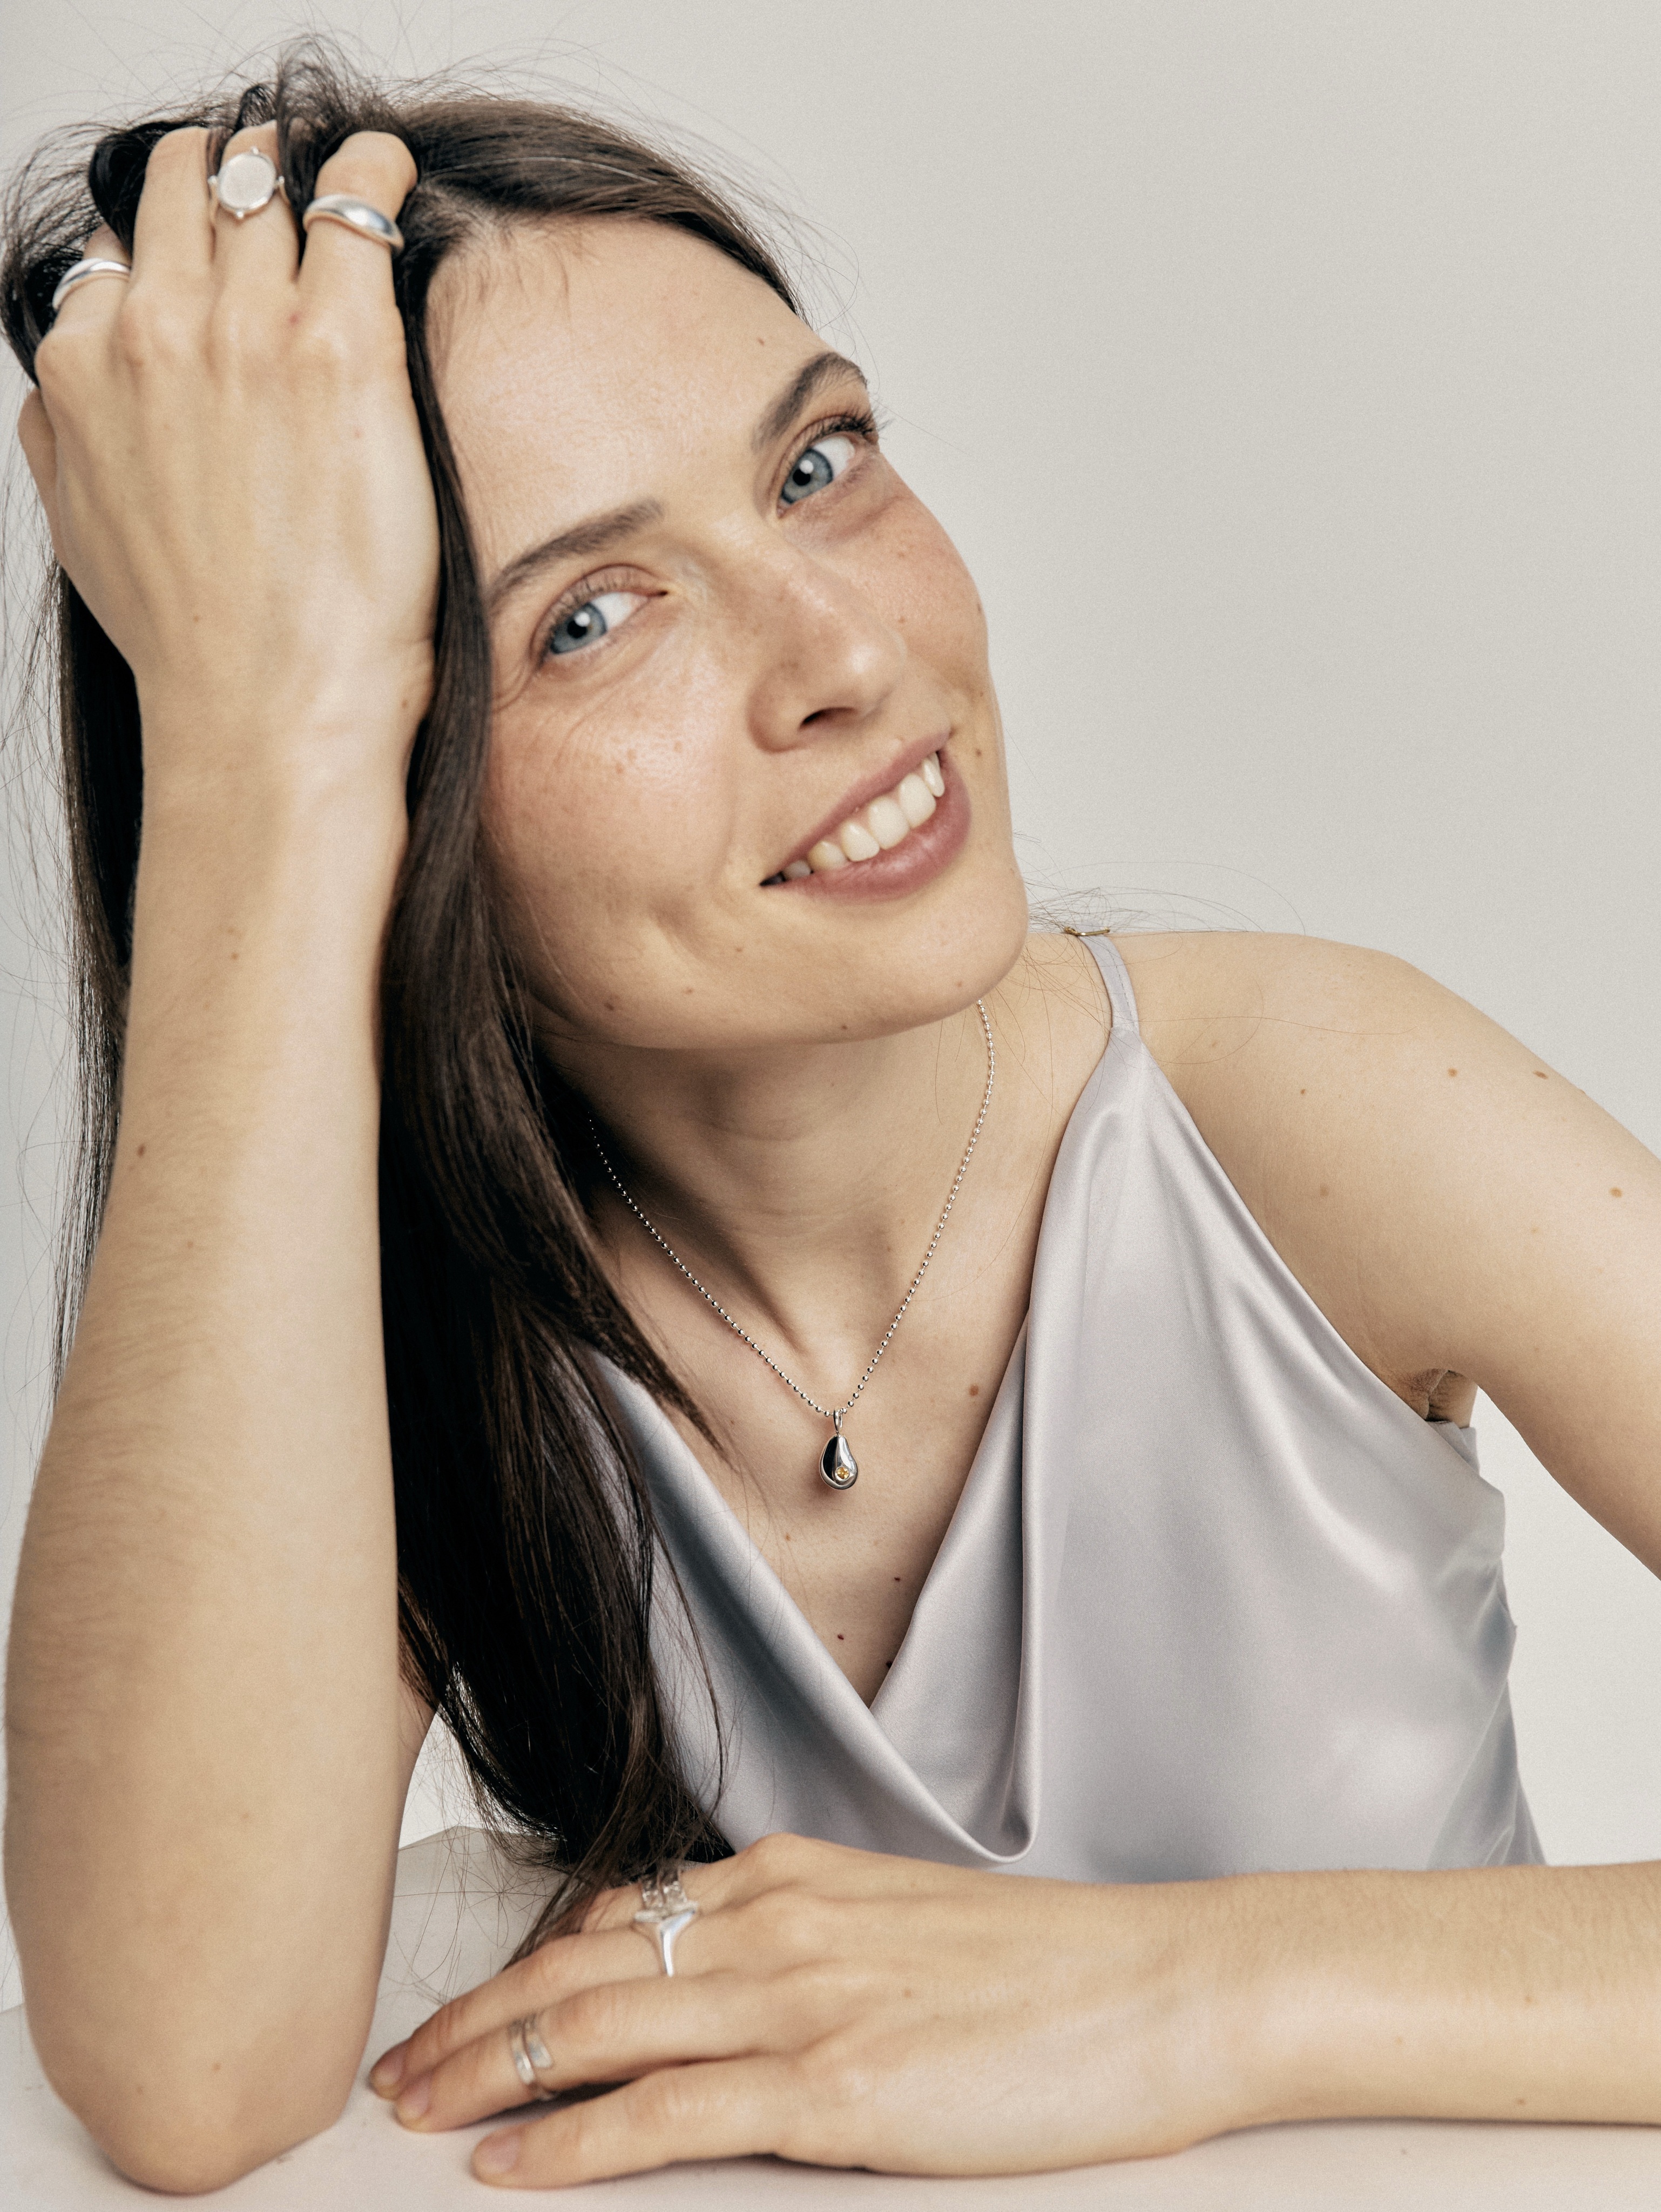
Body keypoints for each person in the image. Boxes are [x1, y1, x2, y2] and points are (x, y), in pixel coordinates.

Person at [4, 44, 1659, 2198]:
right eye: (590, 618)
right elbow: (187, 2065)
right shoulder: (390, 1316)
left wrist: (1181, 1993)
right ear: (388, 782)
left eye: (814, 465)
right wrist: (246, 743)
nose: (847, 656)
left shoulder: (1311, 1106)